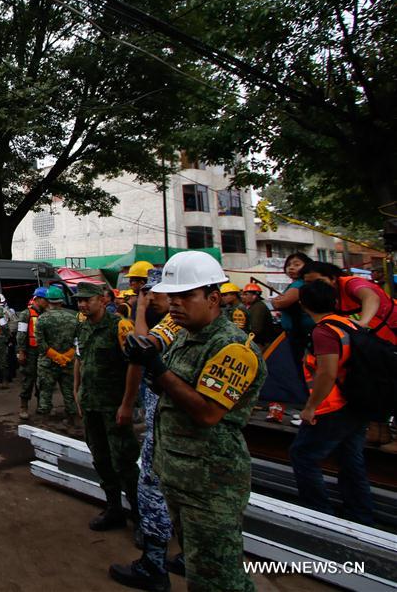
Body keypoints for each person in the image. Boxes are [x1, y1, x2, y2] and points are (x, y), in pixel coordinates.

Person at [126, 251, 266, 591]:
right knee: (199, 566)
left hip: (210, 483)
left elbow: (207, 412)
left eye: (186, 295)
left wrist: (157, 368)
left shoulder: (233, 347)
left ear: (213, 298)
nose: (175, 304)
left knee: (217, 579)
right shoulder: (186, 335)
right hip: (178, 474)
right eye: (172, 296)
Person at [110, 274, 182, 591]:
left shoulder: (172, 323)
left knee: (154, 490)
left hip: (169, 427)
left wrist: (139, 310)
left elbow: (142, 348)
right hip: (164, 420)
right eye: (145, 294)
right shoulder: (177, 322)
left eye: (154, 294)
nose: (149, 299)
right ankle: (182, 557)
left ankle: (154, 565)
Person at [289, 280, 375, 525]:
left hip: (332, 406)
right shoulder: (350, 324)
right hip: (356, 402)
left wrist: (310, 407)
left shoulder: (324, 331)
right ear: (334, 302)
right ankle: (361, 514)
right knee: (351, 459)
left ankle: (319, 515)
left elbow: (326, 373)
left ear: (303, 304)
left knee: (302, 455)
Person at [72, 282, 139, 535]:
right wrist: (77, 392)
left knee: (124, 462)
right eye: (79, 300)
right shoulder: (82, 327)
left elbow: (135, 366)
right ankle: (114, 509)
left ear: (102, 300)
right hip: (91, 405)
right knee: (101, 459)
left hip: (114, 406)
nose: (81, 304)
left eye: (87, 299)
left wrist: (127, 404)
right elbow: (79, 360)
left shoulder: (120, 326)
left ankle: (140, 517)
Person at [301, 261, 397, 345]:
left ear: (333, 278)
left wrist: (363, 322)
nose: (315, 286)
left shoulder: (351, 283)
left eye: (320, 281)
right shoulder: (323, 295)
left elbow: (371, 297)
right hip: (377, 340)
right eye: (308, 282)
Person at [36, 287, 79, 423]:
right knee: (69, 391)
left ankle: (45, 421)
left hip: (47, 363)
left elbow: (40, 343)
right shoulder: (74, 317)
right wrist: (66, 356)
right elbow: (79, 340)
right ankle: (72, 419)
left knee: (46, 391)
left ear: (48, 301)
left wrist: (56, 356)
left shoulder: (42, 319)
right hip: (69, 362)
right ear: (62, 300)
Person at [270, 252, 316, 377]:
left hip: (301, 335)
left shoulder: (299, 284)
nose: (291, 268)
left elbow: (281, 303)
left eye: (297, 264)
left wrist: (275, 301)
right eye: (289, 265)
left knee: (303, 368)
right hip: (300, 333)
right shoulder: (297, 284)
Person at [17, 288, 48, 420]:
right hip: (30, 352)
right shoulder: (26, 314)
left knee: (42, 380)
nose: (47, 302)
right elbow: (21, 334)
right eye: (45, 300)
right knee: (28, 380)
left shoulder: (46, 314)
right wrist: (21, 352)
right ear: (37, 299)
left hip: (43, 352)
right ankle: (24, 407)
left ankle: (42, 406)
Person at [241, 283, 276, 349]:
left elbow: (256, 330)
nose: (242, 296)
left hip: (261, 344)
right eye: (242, 294)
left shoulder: (258, 307)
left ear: (254, 296)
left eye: (246, 294)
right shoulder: (253, 306)